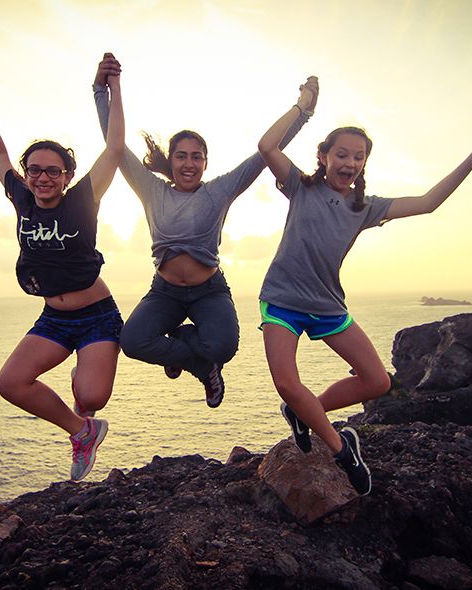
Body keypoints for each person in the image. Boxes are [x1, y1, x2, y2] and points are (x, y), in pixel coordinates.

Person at [258, 76, 472, 495]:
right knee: (287, 382)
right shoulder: (301, 188)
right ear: (323, 157)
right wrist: (303, 108)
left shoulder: (364, 207)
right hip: (282, 302)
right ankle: (344, 450)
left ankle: (306, 412)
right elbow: (268, 146)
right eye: (342, 154)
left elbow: (430, 202)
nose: (350, 163)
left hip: (327, 306)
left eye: (358, 158)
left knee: (377, 382)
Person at [93, 54, 314, 408]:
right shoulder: (152, 190)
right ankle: (196, 362)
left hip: (208, 291)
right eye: (181, 156)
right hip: (164, 292)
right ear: (172, 160)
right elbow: (114, 145)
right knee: (133, 342)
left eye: (197, 156)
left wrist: (303, 110)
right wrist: (102, 90)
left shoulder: (219, 191)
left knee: (224, 347)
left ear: (205, 163)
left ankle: (182, 349)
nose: (189, 163)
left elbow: (267, 155)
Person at [0, 55, 125, 482]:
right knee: (11, 383)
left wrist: (113, 87)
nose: (42, 178)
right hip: (55, 318)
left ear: (67, 175)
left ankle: (85, 383)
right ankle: (82, 431)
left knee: (93, 394)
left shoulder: (83, 199)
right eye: (35, 170)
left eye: (52, 171)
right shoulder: (21, 198)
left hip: (97, 316)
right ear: (27, 174)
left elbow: (114, 148)